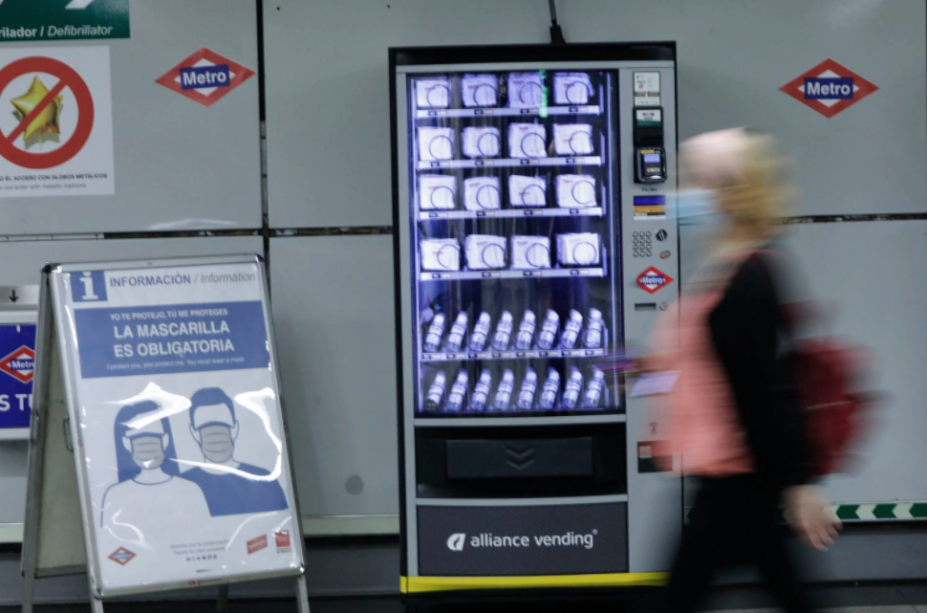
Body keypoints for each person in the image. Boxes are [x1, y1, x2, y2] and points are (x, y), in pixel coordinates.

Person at [649, 128, 841, 613]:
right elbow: (706, 367)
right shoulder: (724, 267)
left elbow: (769, 388)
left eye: (691, 180)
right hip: (728, 476)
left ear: (728, 194)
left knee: (679, 598)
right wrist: (639, 373)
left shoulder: (749, 276)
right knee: (787, 593)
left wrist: (797, 484)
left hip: (737, 478)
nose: (678, 193)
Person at [100, 400, 210, 542]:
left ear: (165, 439)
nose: (146, 444)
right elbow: (109, 544)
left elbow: (205, 535)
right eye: (138, 437)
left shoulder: (191, 490)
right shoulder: (115, 495)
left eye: (153, 436)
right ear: (126, 443)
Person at [182, 387, 289, 517]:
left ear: (235, 428)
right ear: (194, 433)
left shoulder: (264, 480)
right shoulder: (184, 485)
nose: (215, 434)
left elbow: (282, 523)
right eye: (204, 427)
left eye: (224, 425)